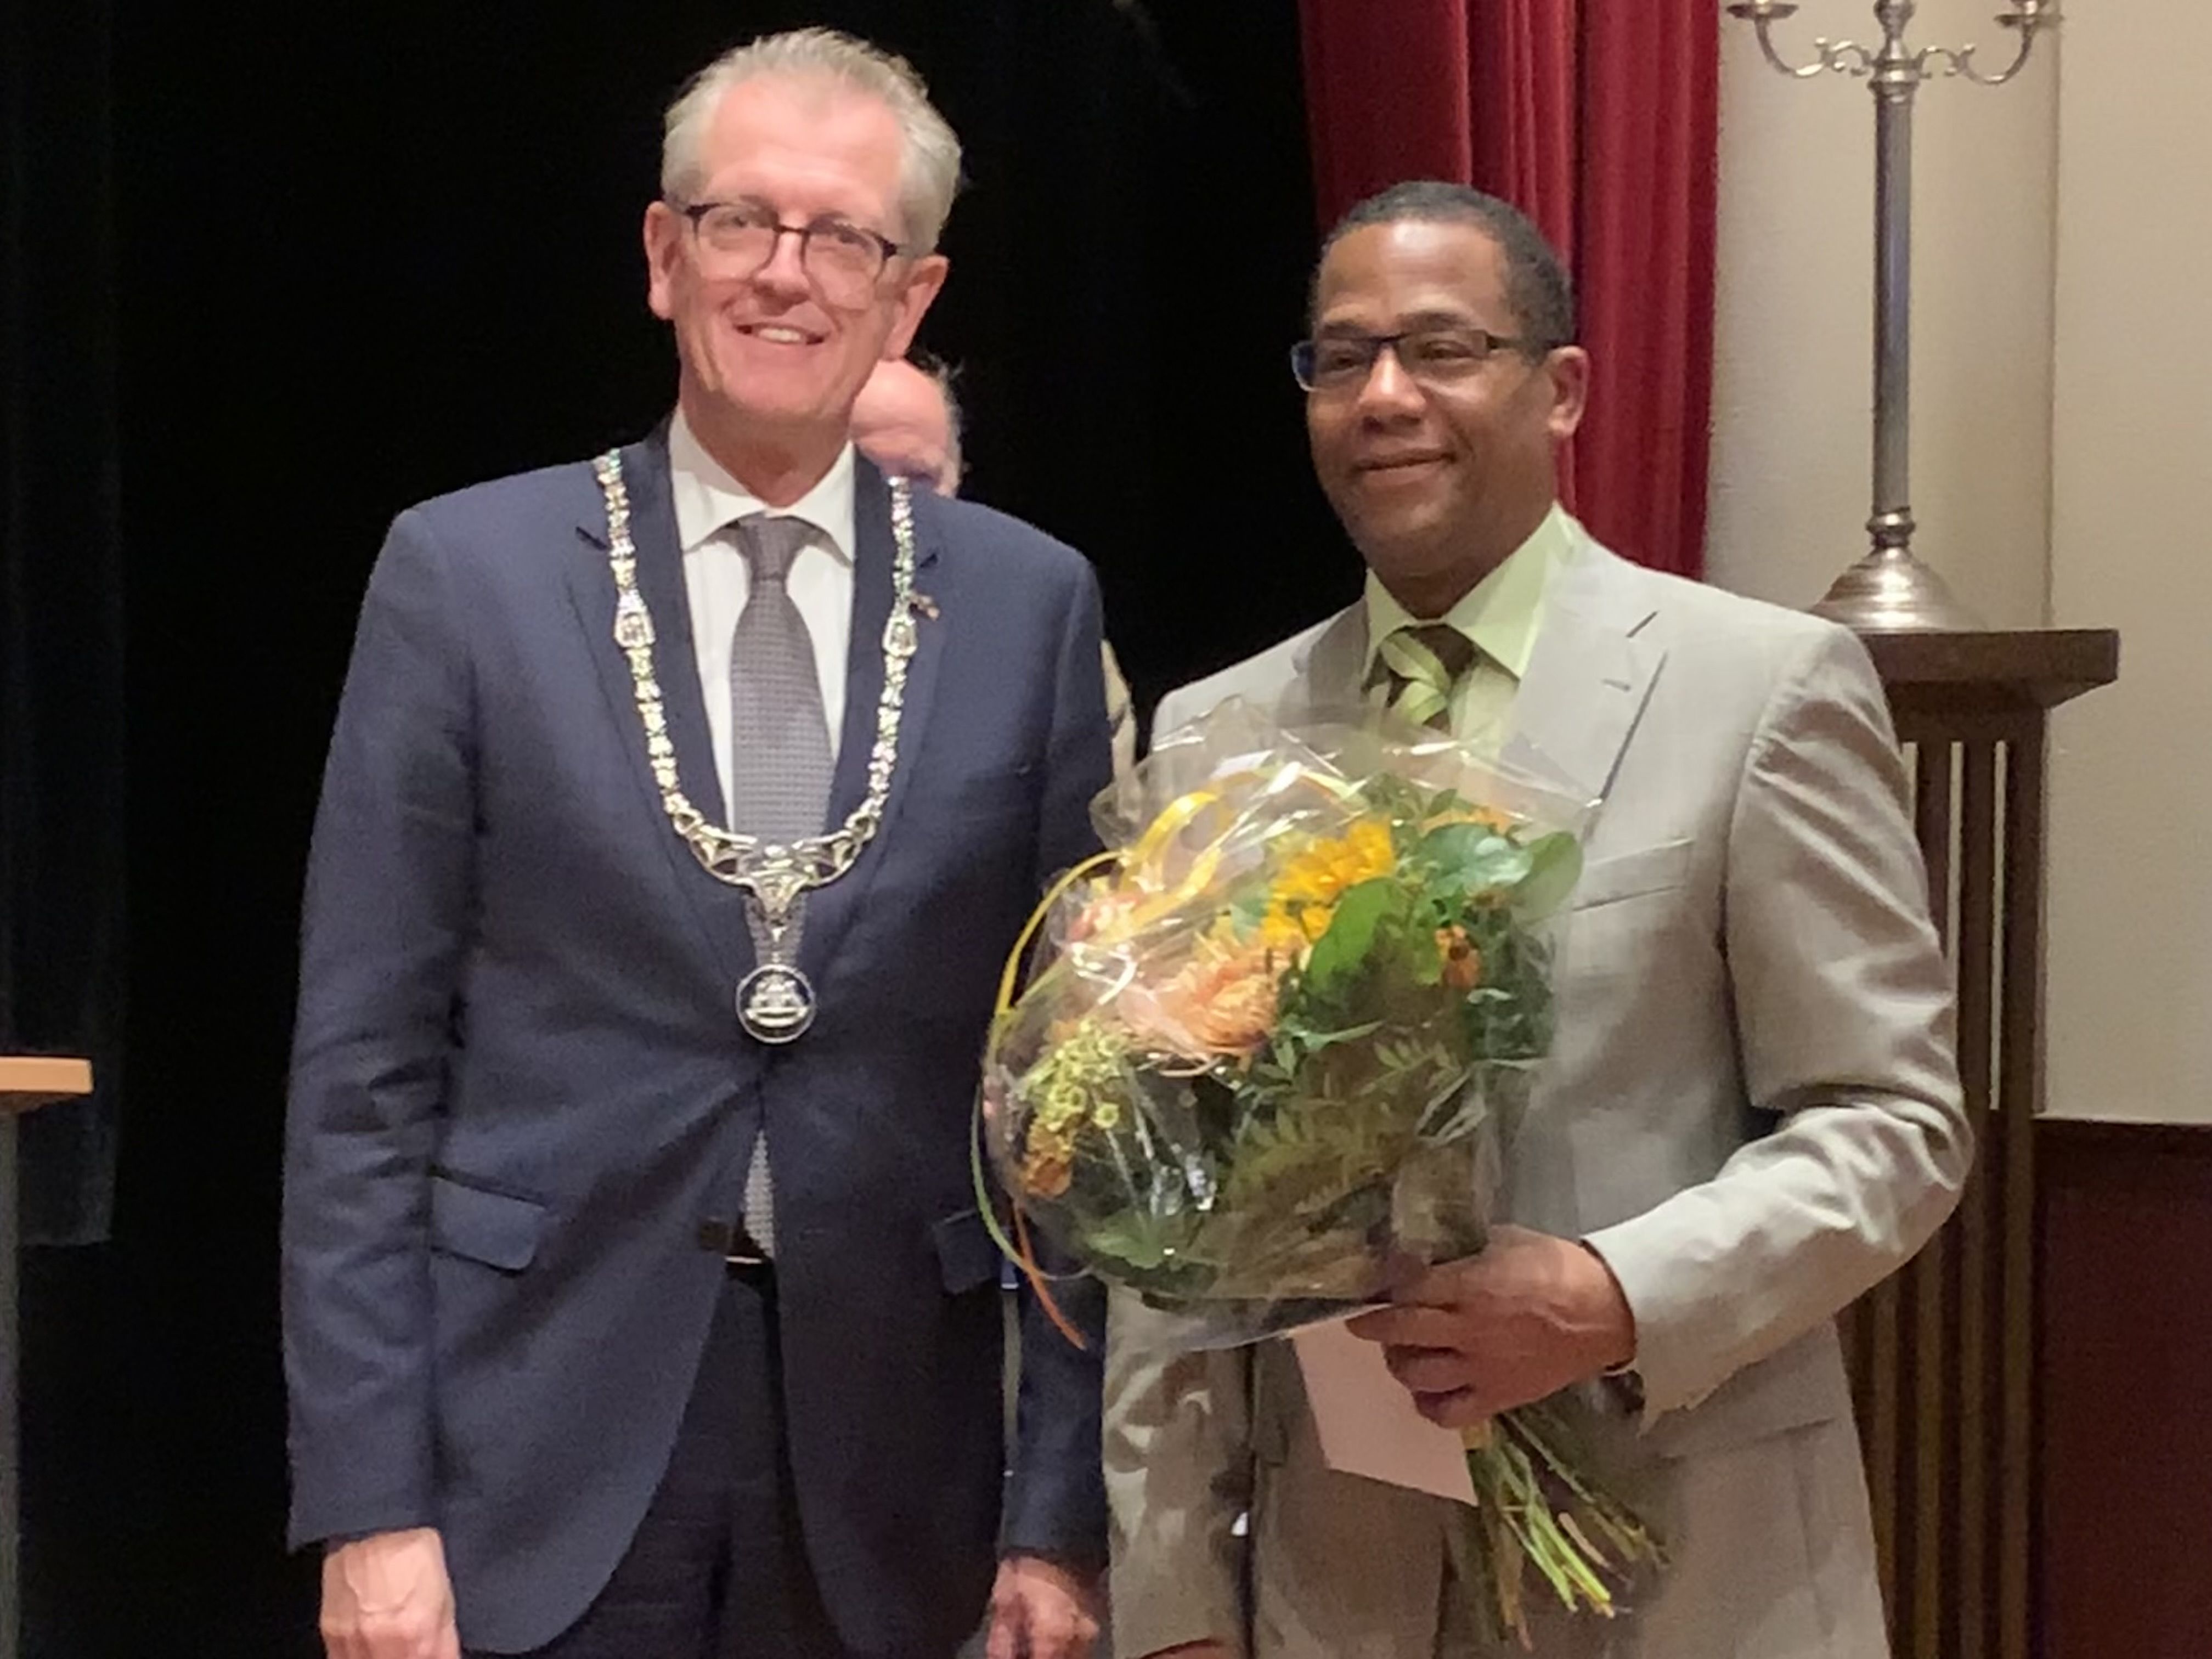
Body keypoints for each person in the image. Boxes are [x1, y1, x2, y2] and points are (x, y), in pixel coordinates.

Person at [283, 29, 1109, 1659]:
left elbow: (1070, 1104)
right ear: (666, 256)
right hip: (531, 1434)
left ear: (911, 298)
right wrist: (370, 1503)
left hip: (899, 1468)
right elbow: (361, 1079)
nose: (785, 274)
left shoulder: (1029, 608)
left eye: (844, 238)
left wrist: (1058, 1511)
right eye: (742, 222)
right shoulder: (467, 576)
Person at [1103, 180, 1970, 1658]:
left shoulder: (1759, 690)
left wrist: (1616, 1295)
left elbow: (1896, 1124)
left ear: (1560, 389)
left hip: (1693, 1574)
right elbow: (1168, 1217)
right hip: (1337, 1588)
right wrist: (1176, 1602)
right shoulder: (1213, 738)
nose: (1386, 396)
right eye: (1342, 358)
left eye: (1443, 349)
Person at [853, 356, 1138, 779]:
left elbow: (1105, 813)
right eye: (866, 473)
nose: (896, 502)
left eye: (920, 479)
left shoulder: (1044, 639)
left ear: (958, 477)